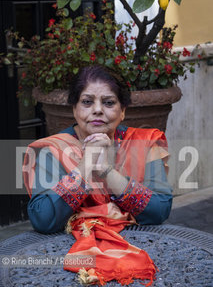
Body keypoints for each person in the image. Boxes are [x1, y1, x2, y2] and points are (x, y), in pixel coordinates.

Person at [23, 65, 172, 285]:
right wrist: (86, 165)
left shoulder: (144, 143)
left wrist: (107, 171)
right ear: (74, 109)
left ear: (123, 111)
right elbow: (43, 219)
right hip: (67, 257)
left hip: (142, 249)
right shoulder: (53, 150)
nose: (98, 110)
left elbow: (159, 210)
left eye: (109, 102)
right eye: (87, 102)